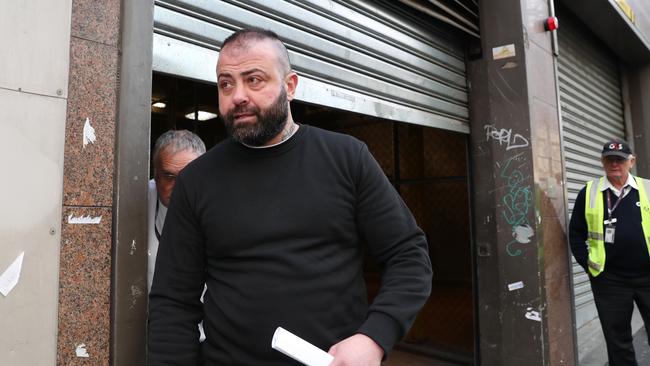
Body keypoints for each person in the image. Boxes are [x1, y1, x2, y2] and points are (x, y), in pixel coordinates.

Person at [148, 28, 432, 366]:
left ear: (290, 86)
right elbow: (173, 303)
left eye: (254, 80)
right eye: (226, 83)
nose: (237, 95)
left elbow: (408, 255)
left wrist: (374, 337)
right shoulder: (197, 180)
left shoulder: (346, 158)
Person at [569, 139, 650, 365]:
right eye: (609, 159)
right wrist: (590, 267)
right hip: (610, 280)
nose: (615, 163)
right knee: (617, 340)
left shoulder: (648, 188)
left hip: (648, 276)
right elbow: (575, 234)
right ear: (602, 162)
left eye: (620, 159)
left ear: (631, 162)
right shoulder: (589, 192)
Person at [148, 129, 206, 292]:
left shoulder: (221, 204)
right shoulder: (137, 201)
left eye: (188, 176)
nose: (180, 187)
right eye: (169, 176)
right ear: (156, 175)